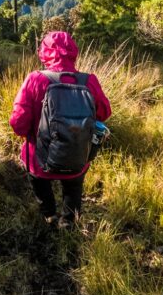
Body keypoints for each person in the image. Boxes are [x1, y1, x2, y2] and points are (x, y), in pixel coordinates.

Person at [9, 31, 111, 228]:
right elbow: (104, 113)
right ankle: (68, 222)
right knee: (73, 186)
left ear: (44, 53)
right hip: (78, 156)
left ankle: (49, 214)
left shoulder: (35, 79)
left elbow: (18, 124)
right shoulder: (89, 81)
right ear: (73, 52)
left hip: (40, 159)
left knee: (38, 180)